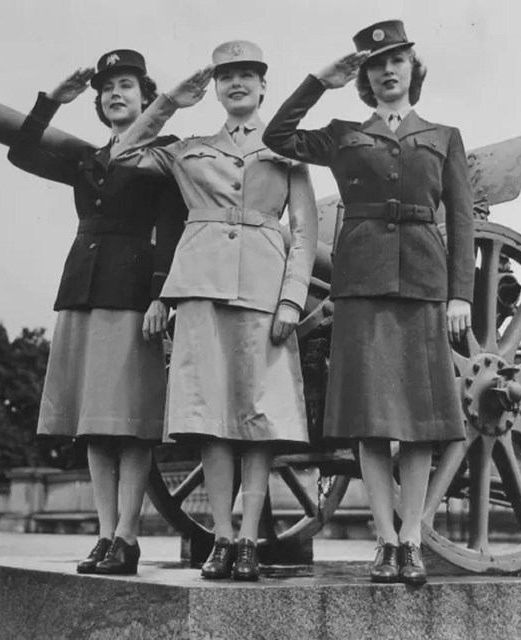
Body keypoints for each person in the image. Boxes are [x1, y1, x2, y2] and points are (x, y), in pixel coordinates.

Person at [263, 20, 474, 584]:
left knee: (422, 423)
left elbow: (461, 220)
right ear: (366, 77)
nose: (387, 71)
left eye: (396, 62)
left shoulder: (444, 136)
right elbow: (277, 136)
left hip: (425, 287)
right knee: (372, 420)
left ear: (412, 70)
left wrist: (461, 294)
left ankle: (411, 539)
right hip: (359, 287)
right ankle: (384, 541)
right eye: (376, 65)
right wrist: (318, 81)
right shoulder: (341, 133)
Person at [111, 41, 318, 581]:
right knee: (212, 421)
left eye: (248, 75)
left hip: (264, 290)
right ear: (217, 88)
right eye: (228, 77)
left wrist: (293, 297)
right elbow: (123, 155)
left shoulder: (286, 149)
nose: (238, 84)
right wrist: (171, 102)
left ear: (264, 85)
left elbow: (305, 229)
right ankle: (222, 540)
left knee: (258, 419)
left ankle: (249, 537)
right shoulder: (189, 147)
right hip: (201, 289)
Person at [8, 49, 187, 575]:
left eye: (127, 85)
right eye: (107, 87)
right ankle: (105, 534)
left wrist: (161, 294)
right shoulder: (89, 157)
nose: (115, 93)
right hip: (82, 291)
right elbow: (21, 154)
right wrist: (51, 102)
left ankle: (128, 538)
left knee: (130, 423)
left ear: (147, 96)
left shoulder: (166, 152)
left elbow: (173, 225)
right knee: (92, 423)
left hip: (133, 293)